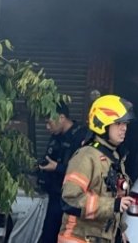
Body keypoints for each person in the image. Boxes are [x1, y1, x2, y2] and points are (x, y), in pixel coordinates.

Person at [58, 94, 134, 243]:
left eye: (125, 123)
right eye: (118, 123)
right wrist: (113, 205)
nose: (124, 128)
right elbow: (70, 200)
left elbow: (111, 198)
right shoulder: (86, 157)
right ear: (102, 124)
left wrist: (120, 231)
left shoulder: (114, 158)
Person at [38, 101, 87, 243]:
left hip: (70, 200)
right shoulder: (56, 135)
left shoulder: (81, 137)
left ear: (61, 117)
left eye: (49, 123)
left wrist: (57, 167)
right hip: (53, 196)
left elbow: (84, 173)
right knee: (48, 235)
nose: (47, 127)